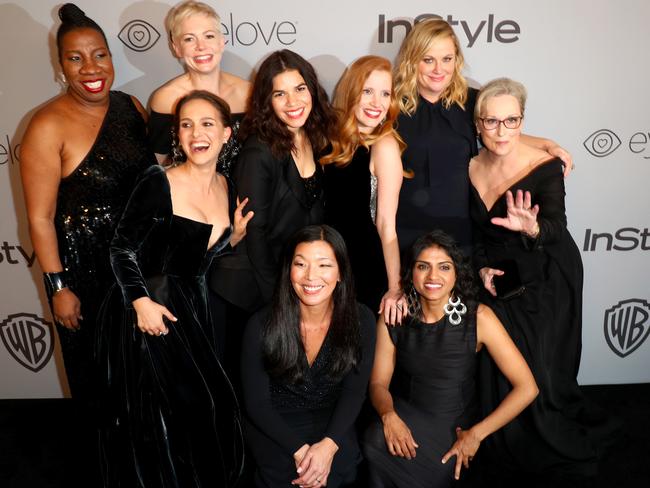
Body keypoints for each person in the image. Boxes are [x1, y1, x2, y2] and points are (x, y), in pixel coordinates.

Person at [96, 91, 251, 487]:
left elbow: (197, 258)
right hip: (147, 308)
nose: (196, 133)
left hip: (191, 308)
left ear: (227, 133)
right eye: (186, 124)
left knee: (211, 405)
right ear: (177, 136)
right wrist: (141, 302)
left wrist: (229, 240)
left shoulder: (228, 187)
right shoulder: (157, 181)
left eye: (207, 124)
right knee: (163, 419)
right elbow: (121, 248)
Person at [469, 78, 615, 481]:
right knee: (497, 359)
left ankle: (540, 436)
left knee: (541, 368)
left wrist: (530, 228)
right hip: (501, 277)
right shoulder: (470, 164)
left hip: (549, 272)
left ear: (522, 120)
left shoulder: (543, 166)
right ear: (478, 124)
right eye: (492, 121)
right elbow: (477, 235)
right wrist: (481, 267)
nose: (502, 131)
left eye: (511, 121)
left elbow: (555, 226)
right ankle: (499, 435)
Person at [20, 1, 155, 421]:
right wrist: (59, 287)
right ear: (60, 66)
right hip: (83, 276)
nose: (91, 69)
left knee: (146, 380)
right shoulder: (46, 126)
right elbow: (40, 218)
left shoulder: (131, 106)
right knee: (100, 387)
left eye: (99, 55)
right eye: (75, 59)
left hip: (137, 269)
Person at [363, 230, 538, 487]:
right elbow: (378, 384)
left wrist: (476, 435)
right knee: (374, 441)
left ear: (457, 273)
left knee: (431, 475)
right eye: (423, 266)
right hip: (406, 416)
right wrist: (389, 416)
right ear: (411, 272)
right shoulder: (393, 317)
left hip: (454, 428)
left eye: (444, 267)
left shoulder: (479, 318)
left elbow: (527, 388)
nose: (433, 276)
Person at [393, 19, 572, 255]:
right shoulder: (393, 108)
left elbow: (500, 131)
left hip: (461, 236)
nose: (439, 69)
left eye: (447, 59)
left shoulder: (471, 101)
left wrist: (549, 145)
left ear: (456, 60)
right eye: (428, 60)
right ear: (412, 60)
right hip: (409, 233)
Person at [241, 225, 376, 487]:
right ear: (288, 270)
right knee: (287, 476)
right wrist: (303, 453)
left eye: (324, 265)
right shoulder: (260, 324)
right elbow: (257, 404)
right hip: (275, 423)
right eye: (300, 264)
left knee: (341, 471)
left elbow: (354, 393)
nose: (311, 276)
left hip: (331, 420)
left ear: (340, 273)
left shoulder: (361, 320)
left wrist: (328, 446)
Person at [230, 49, 336, 310]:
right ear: (267, 101)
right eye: (280, 94)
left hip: (302, 284)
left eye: (300, 89)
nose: (293, 102)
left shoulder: (315, 137)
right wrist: (278, 302)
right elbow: (255, 236)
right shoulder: (258, 153)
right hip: (260, 292)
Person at [322, 55, 408, 324]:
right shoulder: (328, 141)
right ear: (351, 92)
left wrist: (395, 287)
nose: (377, 103)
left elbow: (386, 224)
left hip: (364, 268)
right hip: (324, 266)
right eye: (367, 91)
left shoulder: (384, 145)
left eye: (385, 93)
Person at [149, 0, 250, 174]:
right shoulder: (165, 99)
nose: (201, 46)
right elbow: (156, 164)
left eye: (209, 36)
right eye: (189, 39)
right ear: (177, 48)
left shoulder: (249, 94)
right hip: (189, 197)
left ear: (221, 42)